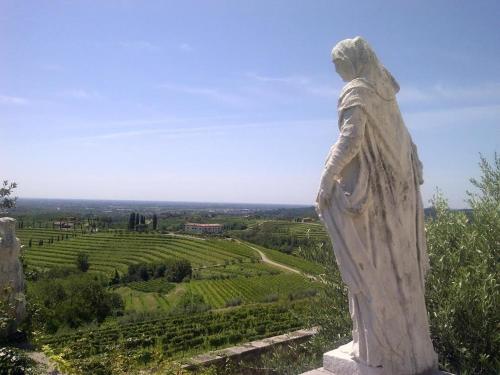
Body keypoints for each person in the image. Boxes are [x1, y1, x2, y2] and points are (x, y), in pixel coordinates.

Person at [316, 37, 438, 375]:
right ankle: (410, 350)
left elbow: (351, 139)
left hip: (374, 206)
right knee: (401, 272)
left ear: (353, 61)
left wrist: (327, 178)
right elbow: (409, 149)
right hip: (398, 200)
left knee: (375, 270)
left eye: (337, 60)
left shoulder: (357, 90)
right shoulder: (386, 96)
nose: (334, 67)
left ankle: (381, 349)